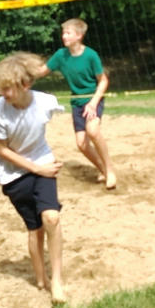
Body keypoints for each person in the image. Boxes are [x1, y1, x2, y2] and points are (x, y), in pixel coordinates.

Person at [0, 52, 67, 305]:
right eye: (0, 88)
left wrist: (41, 167)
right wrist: (35, 169)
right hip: (12, 174)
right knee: (35, 229)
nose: (2, 93)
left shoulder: (46, 103)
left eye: (7, 88)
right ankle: (41, 279)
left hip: (43, 163)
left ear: (25, 85)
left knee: (51, 217)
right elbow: (1, 149)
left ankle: (57, 282)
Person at [36, 18, 116, 190]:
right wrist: (22, 71)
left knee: (93, 131)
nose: (64, 36)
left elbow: (103, 81)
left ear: (79, 36)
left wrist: (93, 103)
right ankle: (102, 169)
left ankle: (110, 171)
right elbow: (42, 71)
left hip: (93, 98)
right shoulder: (60, 55)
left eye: (68, 33)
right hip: (77, 102)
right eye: (63, 32)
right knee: (81, 144)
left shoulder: (90, 55)